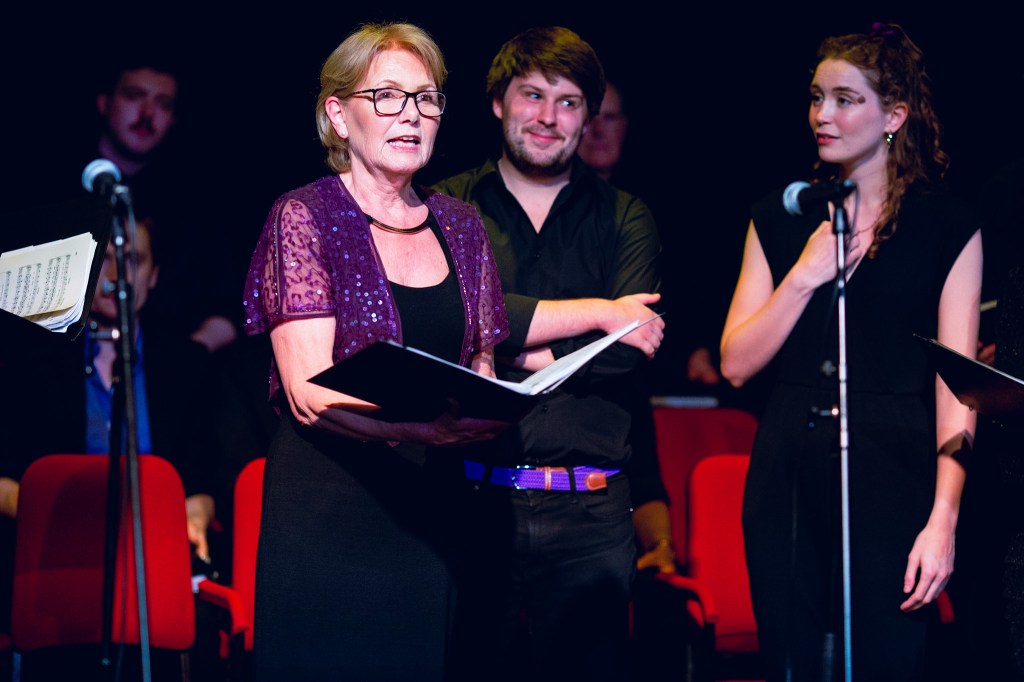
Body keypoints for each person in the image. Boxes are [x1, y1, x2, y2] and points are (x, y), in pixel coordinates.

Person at [241, 22, 510, 682]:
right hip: (330, 508)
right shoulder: (304, 215)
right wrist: (415, 428)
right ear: (339, 114)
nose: (410, 114)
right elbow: (308, 391)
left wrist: (493, 407)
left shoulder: (462, 225)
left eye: (426, 98)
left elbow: (480, 364)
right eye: (387, 96)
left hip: (435, 506)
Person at [719, 22, 982, 682]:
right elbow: (736, 363)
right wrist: (804, 276)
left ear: (894, 116)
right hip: (787, 469)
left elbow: (957, 389)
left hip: (895, 471)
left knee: (887, 660)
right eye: (816, 98)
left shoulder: (946, 226)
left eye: (845, 99)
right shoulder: (780, 216)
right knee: (791, 662)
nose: (822, 115)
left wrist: (944, 518)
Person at [432, 26, 664, 682]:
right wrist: (597, 318)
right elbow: (447, 322)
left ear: (587, 118)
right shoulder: (447, 205)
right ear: (497, 102)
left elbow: (628, 353)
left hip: (591, 512)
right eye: (532, 95)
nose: (548, 116)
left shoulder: (626, 216)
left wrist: (502, 350)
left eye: (568, 102)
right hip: (471, 501)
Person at [0, 216, 226, 679]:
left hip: (154, 566)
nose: (117, 272)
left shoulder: (186, 365)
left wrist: (196, 510)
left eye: (132, 259)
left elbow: (204, 477)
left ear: (153, 275)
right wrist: (60, 519)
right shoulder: (33, 364)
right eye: (104, 258)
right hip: (58, 565)